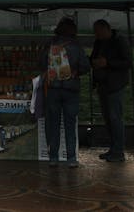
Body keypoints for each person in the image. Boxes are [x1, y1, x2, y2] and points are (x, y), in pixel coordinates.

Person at [39, 17, 90, 168]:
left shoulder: (50, 44)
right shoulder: (76, 46)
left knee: (53, 124)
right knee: (70, 124)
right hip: (71, 90)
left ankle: (53, 157)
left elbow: (41, 63)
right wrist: (74, 72)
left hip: (53, 89)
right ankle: (71, 158)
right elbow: (86, 66)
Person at [91, 18, 132, 163]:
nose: (96, 35)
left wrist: (107, 63)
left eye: (97, 32)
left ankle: (118, 150)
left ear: (105, 29)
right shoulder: (99, 42)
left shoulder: (120, 41)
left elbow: (127, 62)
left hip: (115, 85)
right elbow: (93, 57)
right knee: (108, 118)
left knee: (115, 118)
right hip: (103, 85)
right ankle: (113, 148)